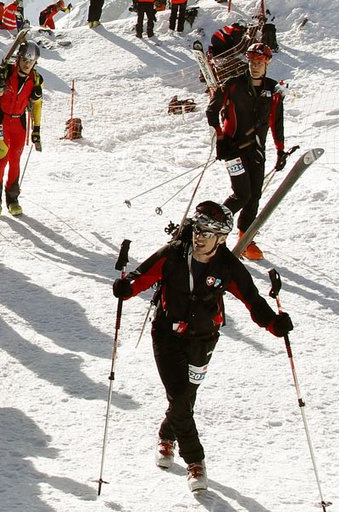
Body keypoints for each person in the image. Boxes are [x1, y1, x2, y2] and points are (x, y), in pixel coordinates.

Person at [112, 201, 293, 494]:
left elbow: (252, 299)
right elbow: (141, 276)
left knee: (186, 396)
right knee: (179, 394)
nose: (200, 237)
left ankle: (166, 435)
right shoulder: (173, 254)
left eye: (208, 233)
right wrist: (126, 288)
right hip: (167, 334)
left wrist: (275, 324)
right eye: (198, 229)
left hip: (203, 338)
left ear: (221, 238)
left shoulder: (227, 266)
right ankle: (195, 461)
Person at [205, 42, 285, 260]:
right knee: (242, 194)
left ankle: (245, 239)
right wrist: (220, 138)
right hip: (233, 150)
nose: (255, 66)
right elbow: (212, 110)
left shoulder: (273, 89)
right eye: (252, 62)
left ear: (267, 63)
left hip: (257, 151)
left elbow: (276, 122)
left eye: (259, 62)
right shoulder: (233, 84)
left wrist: (280, 150)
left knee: (254, 196)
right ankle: (211, 230)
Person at [0, 43, 41, 216]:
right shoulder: (3, 72)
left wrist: (37, 129)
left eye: (31, 62)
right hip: (1, 118)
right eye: (25, 60)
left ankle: (12, 198)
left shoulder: (35, 79)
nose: (27, 65)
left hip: (19, 121)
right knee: (3, 157)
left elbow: (37, 105)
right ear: (18, 58)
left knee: (15, 160)